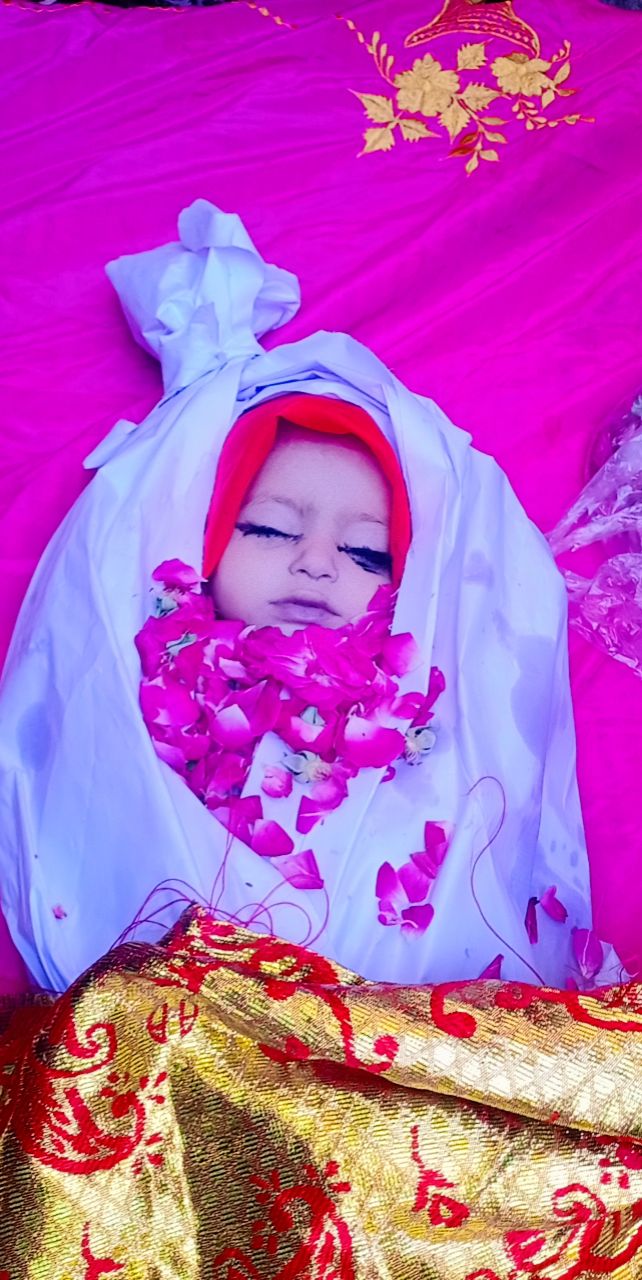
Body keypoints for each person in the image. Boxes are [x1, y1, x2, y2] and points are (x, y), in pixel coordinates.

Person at [0, 200, 622, 993]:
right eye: (269, 529)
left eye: (365, 551)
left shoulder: (423, 713)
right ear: (200, 547)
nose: (318, 563)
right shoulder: (131, 684)